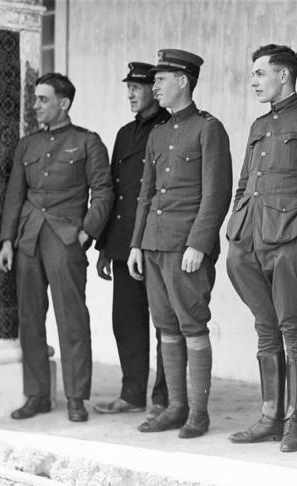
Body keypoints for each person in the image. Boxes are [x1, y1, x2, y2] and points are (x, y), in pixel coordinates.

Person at [226, 44, 297, 453]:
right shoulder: (258, 126)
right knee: (264, 326)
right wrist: (235, 225)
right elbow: (244, 183)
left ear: (284, 75)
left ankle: (294, 423)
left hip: (286, 242)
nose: (254, 81)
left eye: (260, 73)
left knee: (291, 327)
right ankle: (270, 416)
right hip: (247, 241)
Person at [0, 73, 113, 422]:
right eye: (35, 99)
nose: (36, 106)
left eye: (43, 99)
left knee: (71, 317)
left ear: (64, 103)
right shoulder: (26, 145)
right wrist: (6, 241)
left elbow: (104, 192)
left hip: (65, 239)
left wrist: (86, 232)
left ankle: (76, 397)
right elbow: (15, 195)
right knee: (30, 318)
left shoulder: (87, 142)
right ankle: (37, 395)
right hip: (28, 239)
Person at [128, 49, 232, 439]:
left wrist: (199, 244)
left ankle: (198, 413)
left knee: (192, 325)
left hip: (186, 247)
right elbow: (146, 193)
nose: (154, 86)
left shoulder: (208, 129)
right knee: (165, 327)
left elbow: (215, 194)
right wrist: (137, 243)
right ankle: (175, 406)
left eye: (161, 79)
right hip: (154, 245)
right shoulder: (158, 133)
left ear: (183, 81)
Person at [93, 62, 169, 419]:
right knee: (126, 319)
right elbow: (115, 190)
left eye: (136, 87)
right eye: (128, 88)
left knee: (165, 323)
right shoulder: (124, 133)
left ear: (154, 89)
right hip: (124, 244)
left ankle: (165, 399)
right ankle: (132, 393)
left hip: (157, 242)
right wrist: (106, 247)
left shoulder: (171, 126)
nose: (131, 94)